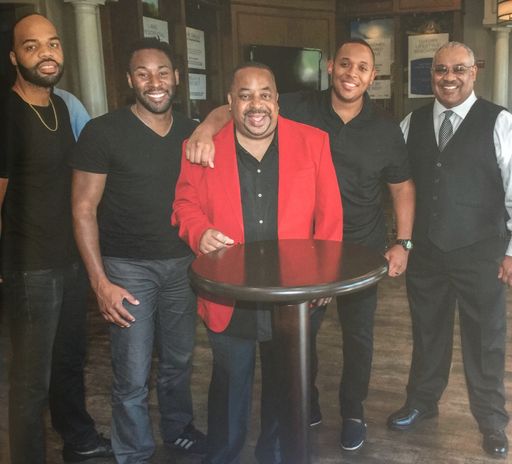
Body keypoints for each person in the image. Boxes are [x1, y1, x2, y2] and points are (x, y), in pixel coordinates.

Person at [185, 39, 415, 451]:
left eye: (362, 67)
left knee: (323, 357)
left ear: (373, 77)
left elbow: (348, 207)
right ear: (330, 67)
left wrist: (397, 244)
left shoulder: (361, 132)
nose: (257, 103)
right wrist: (204, 129)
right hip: (241, 282)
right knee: (243, 378)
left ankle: (337, 420)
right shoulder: (221, 138)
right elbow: (186, 200)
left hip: (320, 269)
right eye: (345, 63)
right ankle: (244, 443)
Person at [172, 62, 343, 464]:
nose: (256, 104)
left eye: (265, 94)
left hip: (293, 293)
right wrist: (199, 232)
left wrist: (324, 279)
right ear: (230, 102)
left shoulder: (314, 142)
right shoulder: (201, 146)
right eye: (245, 95)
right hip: (229, 292)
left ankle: (275, 455)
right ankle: (224, 456)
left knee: (285, 387)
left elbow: (330, 216)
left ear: (277, 101)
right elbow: (184, 204)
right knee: (229, 385)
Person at [71, 38, 206, 463]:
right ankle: (133, 452)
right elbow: (82, 209)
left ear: (177, 77)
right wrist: (100, 283)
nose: (155, 82)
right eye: (143, 74)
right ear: (130, 80)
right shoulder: (102, 132)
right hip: (127, 269)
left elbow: (227, 114)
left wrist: (209, 124)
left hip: (183, 266)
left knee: (179, 360)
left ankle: (178, 430)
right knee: (131, 372)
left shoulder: (191, 132)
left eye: (162, 72)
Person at [387, 41, 511, 459]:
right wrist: (402, 240)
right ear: (432, 75)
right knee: (427, 332)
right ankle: (422, 402)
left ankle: (491, 421)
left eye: (459, 69)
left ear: (474, 72)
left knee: (485, 339)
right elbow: (400, 183)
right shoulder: (412, 122)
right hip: (427, 252)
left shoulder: (500, 122)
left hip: (481, 252)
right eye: (441, 70)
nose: (449, 77)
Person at [0, 13, 112, 464]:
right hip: (29, 267)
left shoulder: (62, 107)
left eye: (52, 43)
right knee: (31, 381)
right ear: (14, 57)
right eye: (31, 46)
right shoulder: (7, 114)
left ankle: (77, 438)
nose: (45, 54)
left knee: (69, 361)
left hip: (69, 260)